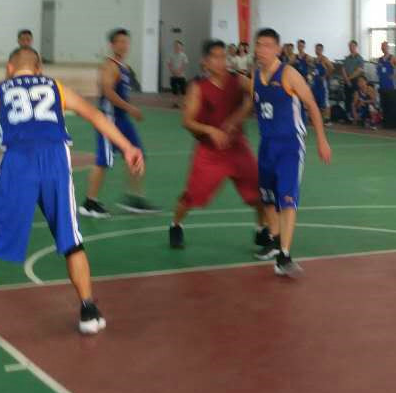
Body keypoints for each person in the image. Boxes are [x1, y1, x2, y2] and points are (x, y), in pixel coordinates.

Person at [0, 46, 143, 343]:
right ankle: (88, 312)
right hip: (55, 161)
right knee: (71, 240)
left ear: (9, 68)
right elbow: (94, 115)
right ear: (39, 70)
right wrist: (127, 147)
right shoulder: (55, 87)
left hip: (18, 163)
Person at [169, 40, 268, 251]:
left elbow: (257, 94)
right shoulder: (198, 87)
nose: (221, 61)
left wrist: (239, 115)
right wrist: (211, 130)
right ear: (205, 62)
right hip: (210, 151)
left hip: (237, 147)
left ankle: (261, 230)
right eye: (215, 57)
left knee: (259, 192)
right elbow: (187, 121)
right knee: (192, 195)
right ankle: (175, 225)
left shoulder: (238, 80)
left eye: (223, 56)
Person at [251, 27, 332, 275]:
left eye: (267, 45)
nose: (261, 49)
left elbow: (312, 105)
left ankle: (284, 256)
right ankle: (276, 242)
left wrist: (321, 140)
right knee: (267, 199)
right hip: (266, 145)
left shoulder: (289, 74)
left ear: (277, 49)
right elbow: (253, 107)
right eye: (258, 44)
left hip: (290, 146)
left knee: (287, 199)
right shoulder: (255, 77)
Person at [82, 28, 153, 217]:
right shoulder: (109, 66)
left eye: (126, 42)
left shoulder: (125, 68)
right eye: (119, 42)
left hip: (122, 120)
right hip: (108, 120)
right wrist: (131, 108)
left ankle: (134, 199)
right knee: (103, 161)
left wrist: (128, 110)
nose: (123, 45)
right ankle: (89, 203)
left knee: (137, 155)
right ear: (112, 45)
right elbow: (108, 92)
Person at [309, 43, 333, 124]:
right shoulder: (314, 59)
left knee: (325, 101)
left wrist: (325, 76)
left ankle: (328, 119)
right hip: (315, 83)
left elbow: (331, 68)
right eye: (316, 49)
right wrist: (312, 76)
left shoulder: (324, 59)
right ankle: (319, 118)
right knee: (316, 100)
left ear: (322, 50)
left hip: (322, 84)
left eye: (319, 49)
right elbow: (314, 70)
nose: (317, 50)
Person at [342, 40, 365, 113]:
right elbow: (343, 69)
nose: (350, 47)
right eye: (349, 46)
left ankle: (355, 114)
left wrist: (348, 79)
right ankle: (347, 114)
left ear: (355, 46)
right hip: (347, 81)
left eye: (352, 46)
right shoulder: (347, 58)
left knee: (355, 98)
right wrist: (346, 79)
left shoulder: (359, 58)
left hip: (356, 81)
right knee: (347, 98)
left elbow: (359, 71)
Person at [167, 40, 189, 106]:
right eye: (175, 45)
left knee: (183, 90)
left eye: (178, 46)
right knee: (174, 91)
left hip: (181, 76)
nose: (177, 47)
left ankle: (185, 103)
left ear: (181, 47)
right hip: (173, 76)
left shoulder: (184, 55)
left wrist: (179, 71)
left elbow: (184, 64)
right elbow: (169, 64)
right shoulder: (170, 55)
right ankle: (175, 103)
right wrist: (173, 71)